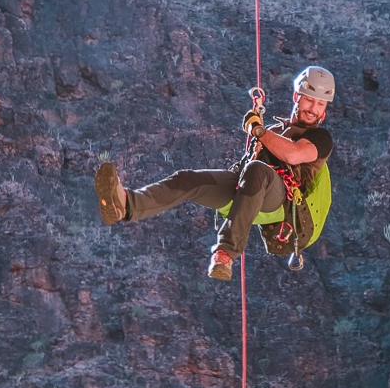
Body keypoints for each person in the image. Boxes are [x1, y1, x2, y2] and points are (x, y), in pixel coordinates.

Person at [94, 66, 335, 281]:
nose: (313, 108)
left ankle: (225, 254)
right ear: (297, 97)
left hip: (282, 199)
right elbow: (248, 166)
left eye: (320, 104)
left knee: (257, 170)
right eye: (309, 100)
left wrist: (258, 131)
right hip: (255, 183)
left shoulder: (319, 138)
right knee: (189, 179)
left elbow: (292, 155)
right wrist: (259, 138)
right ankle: (125, 205)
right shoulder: (275, 130)